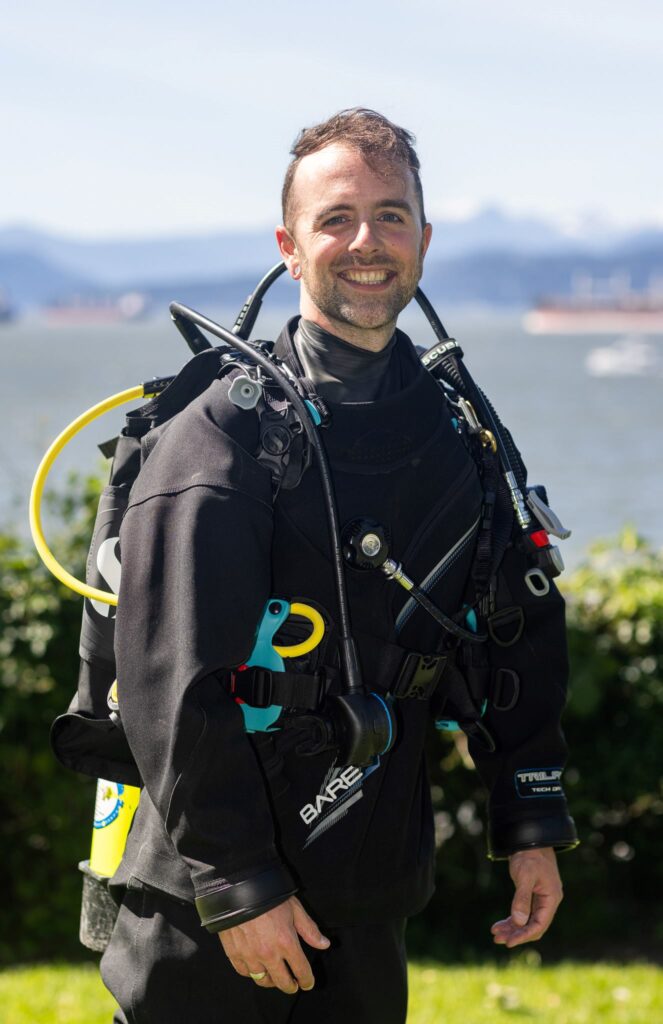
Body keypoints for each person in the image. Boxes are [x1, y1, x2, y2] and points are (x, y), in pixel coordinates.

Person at [100, 108, 578, 1024]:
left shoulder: (457, 434)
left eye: (391, 216)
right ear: (288, 245)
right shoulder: (223, 438)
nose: (367, 243)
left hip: (366, 887)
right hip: (205, 906)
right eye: (336, 219)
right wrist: (238, 879)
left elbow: (509, 636)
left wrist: (530, 819)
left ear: (426, 240)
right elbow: (168, 682)